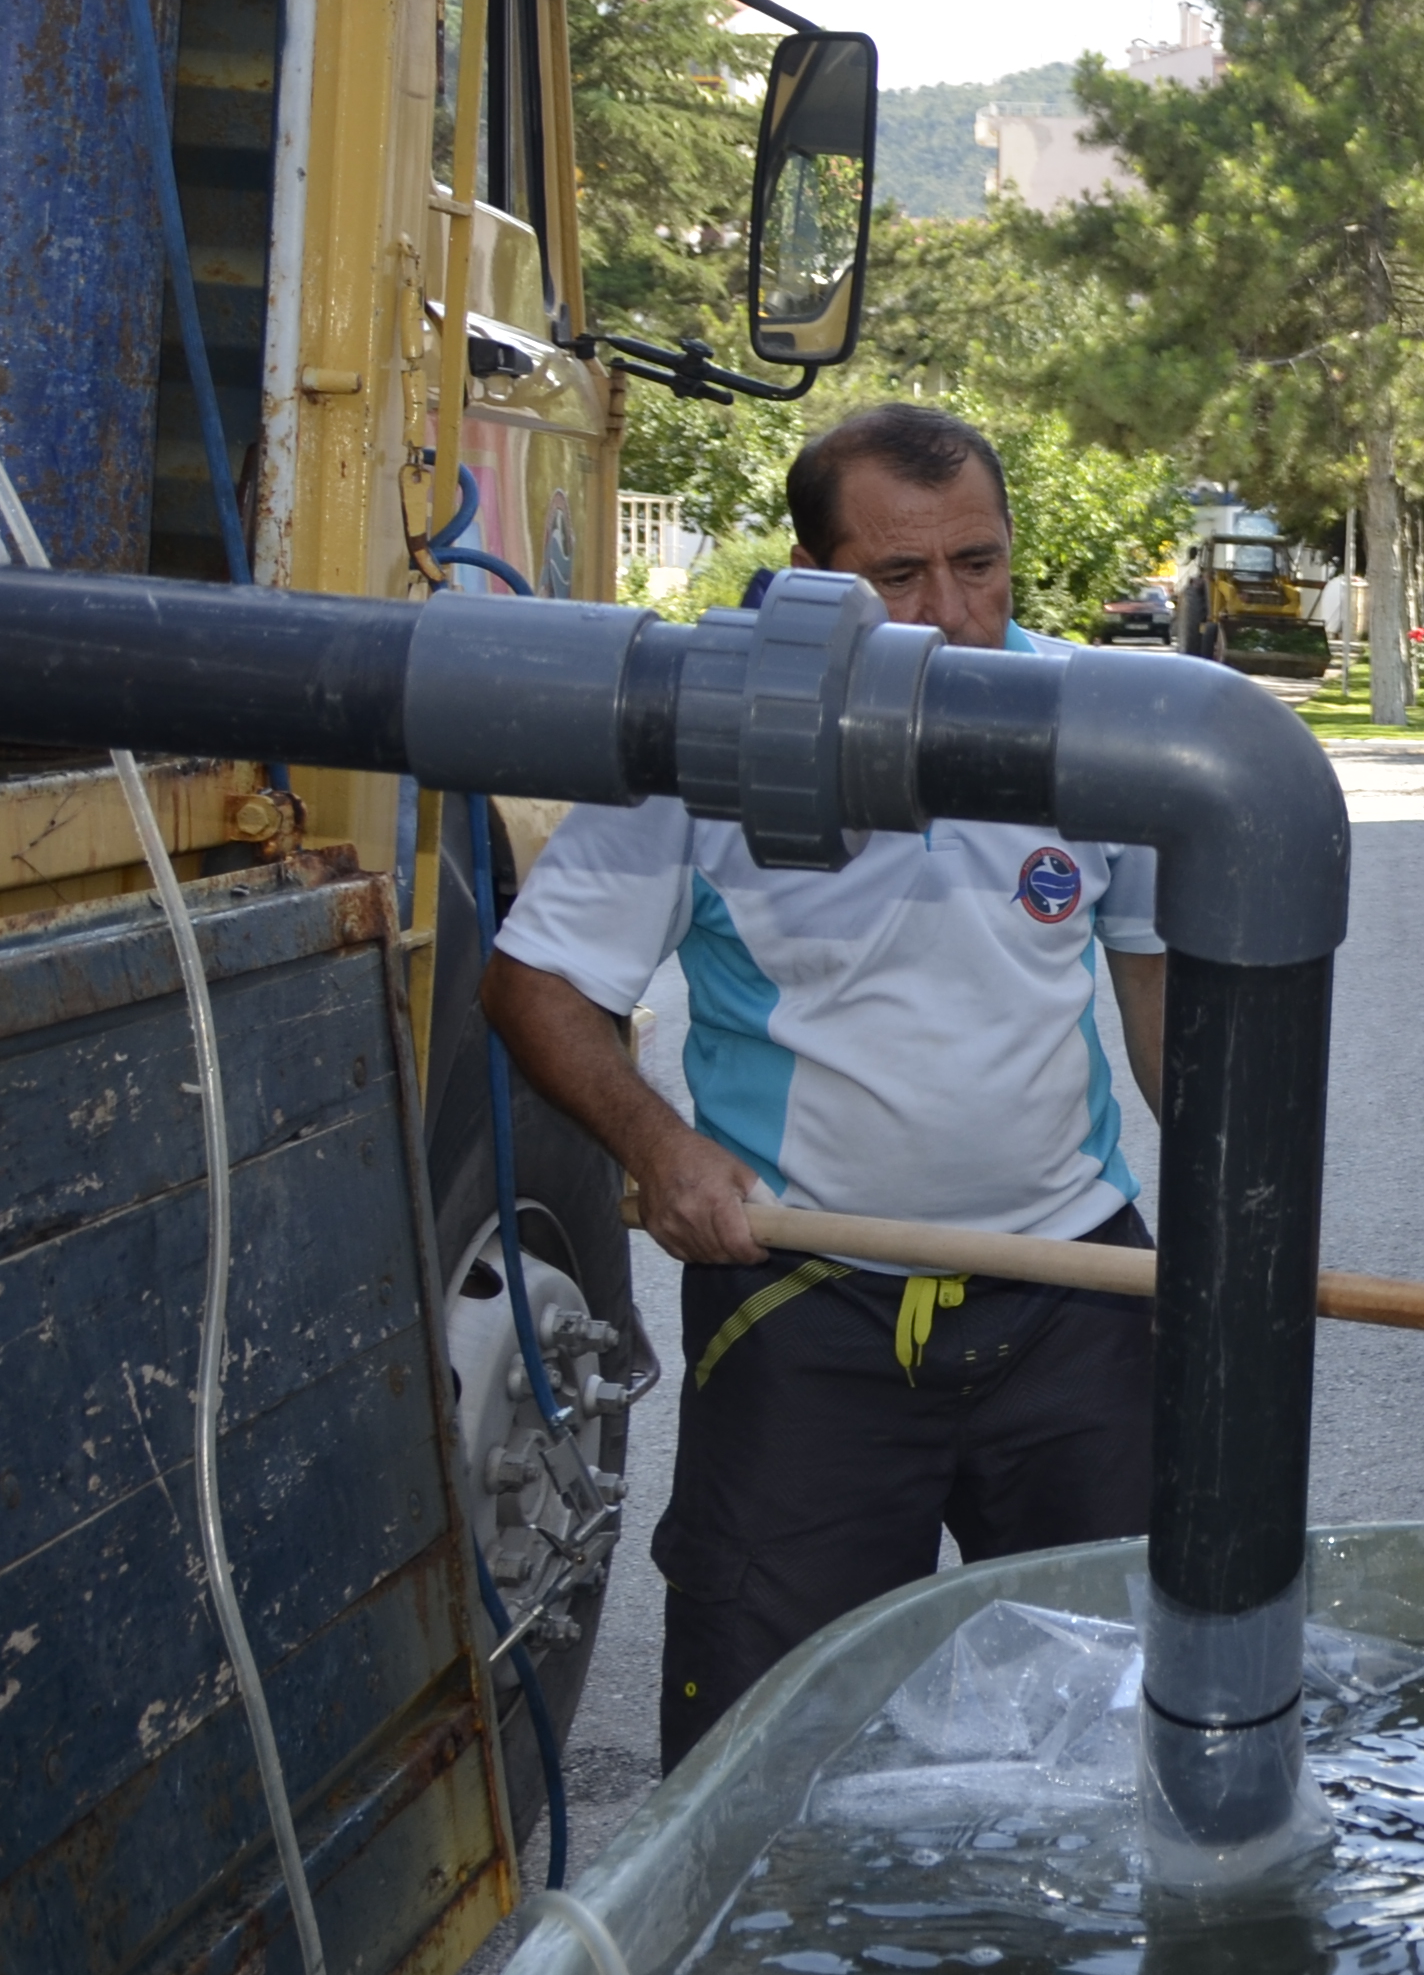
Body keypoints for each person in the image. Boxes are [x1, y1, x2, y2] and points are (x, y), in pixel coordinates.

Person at [484, 403, 1165, 1768]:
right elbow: (538, 984)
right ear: (813, 578)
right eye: (899, 577)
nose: (954, 613)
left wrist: (1237, 1222)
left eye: (980, 565)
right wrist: (661, 1147)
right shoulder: (709, 736)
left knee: (1125, 1721)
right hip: (804, 1304)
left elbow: (1163, 1009)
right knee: (766, 1748)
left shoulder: (1101, 729)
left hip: (1074, 1300)